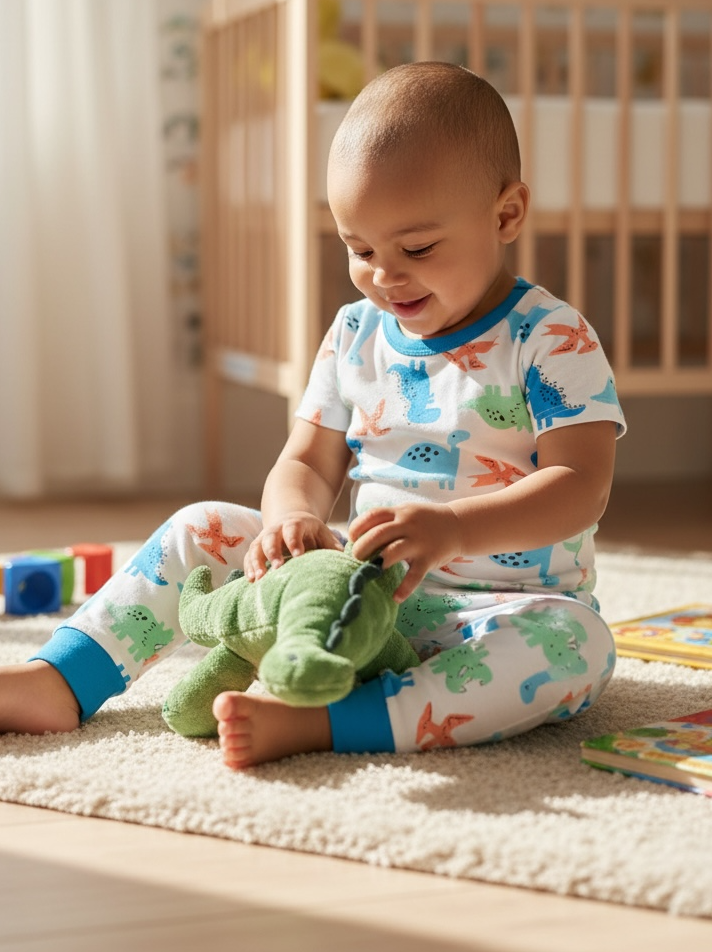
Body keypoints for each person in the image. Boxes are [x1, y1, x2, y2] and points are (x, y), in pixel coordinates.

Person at [0, 62, 625, 768]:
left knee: (580, 648)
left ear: (506, 213)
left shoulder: (552, 338)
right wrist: (289, 520)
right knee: (200, 524)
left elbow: (582, 485)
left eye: (416, 248)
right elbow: (305, 459)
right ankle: (62, 679)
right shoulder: (355, 333)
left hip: (493, 610)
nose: (384, 275)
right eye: (360, 250)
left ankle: (332, 718)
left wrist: (452, 528)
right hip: (348, 591)